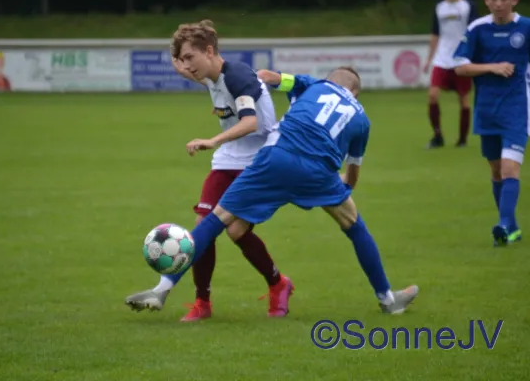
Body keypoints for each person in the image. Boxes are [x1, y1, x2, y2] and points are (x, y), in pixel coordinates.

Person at [126, 66, 419, 315]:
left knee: (216, 220)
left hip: (276, 157)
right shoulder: (362, 119)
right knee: (354, 227)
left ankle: (162, 289)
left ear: (330, 80)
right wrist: (341, 186)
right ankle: (388, 299)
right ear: (355, 94)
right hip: (319, 172)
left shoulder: (314, 84)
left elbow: (267, 76)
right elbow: (352, 173)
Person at [126, 20, 294, 321]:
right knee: (203, 221)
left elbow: (250, 123)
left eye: (191, 58)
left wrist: (211, 140)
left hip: (261, 160)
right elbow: (204, 78)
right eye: (183, 60)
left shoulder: (239, 75)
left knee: (235, 230)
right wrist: (182, 64)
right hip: (229, 158)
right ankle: (202, 303)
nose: (187, 66)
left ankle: (278, 284)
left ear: (209, 50)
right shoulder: (211, 76)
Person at [453, 0, 526, 246]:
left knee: (509, 170)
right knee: (496, 172)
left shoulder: (526, 28)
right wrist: (493, 67)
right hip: (487, 111)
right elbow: (460, 68)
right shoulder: (478, 29)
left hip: (517, 111)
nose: (499, 3)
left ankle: (504, 225)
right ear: (486, 0)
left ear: (514, 0)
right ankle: (513, 227)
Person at [424, 0, 479, 149]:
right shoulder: (440, 7)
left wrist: (474, 56)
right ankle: (437, 135)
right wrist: (429, 59)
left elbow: (475, 31)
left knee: (464, 100)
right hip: (442, 58)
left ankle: (462, 139)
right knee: (433, 95)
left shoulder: (468, 6)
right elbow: (435, 34)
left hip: (461, 58)